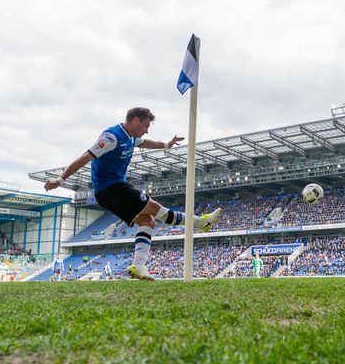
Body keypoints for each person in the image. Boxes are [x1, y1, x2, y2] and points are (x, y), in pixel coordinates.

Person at [44, 107, 222, 281]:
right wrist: (59, 180)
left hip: (113, 190)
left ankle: (138, 266)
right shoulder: (111, 137)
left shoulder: (131, 137)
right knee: (154, 208)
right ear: (135, 120)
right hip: (110, 188)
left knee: (147, 221)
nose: (146, 130)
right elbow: (85, 157)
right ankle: (200, 222)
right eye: (145, 126)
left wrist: (167, 144)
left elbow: (145, 143)